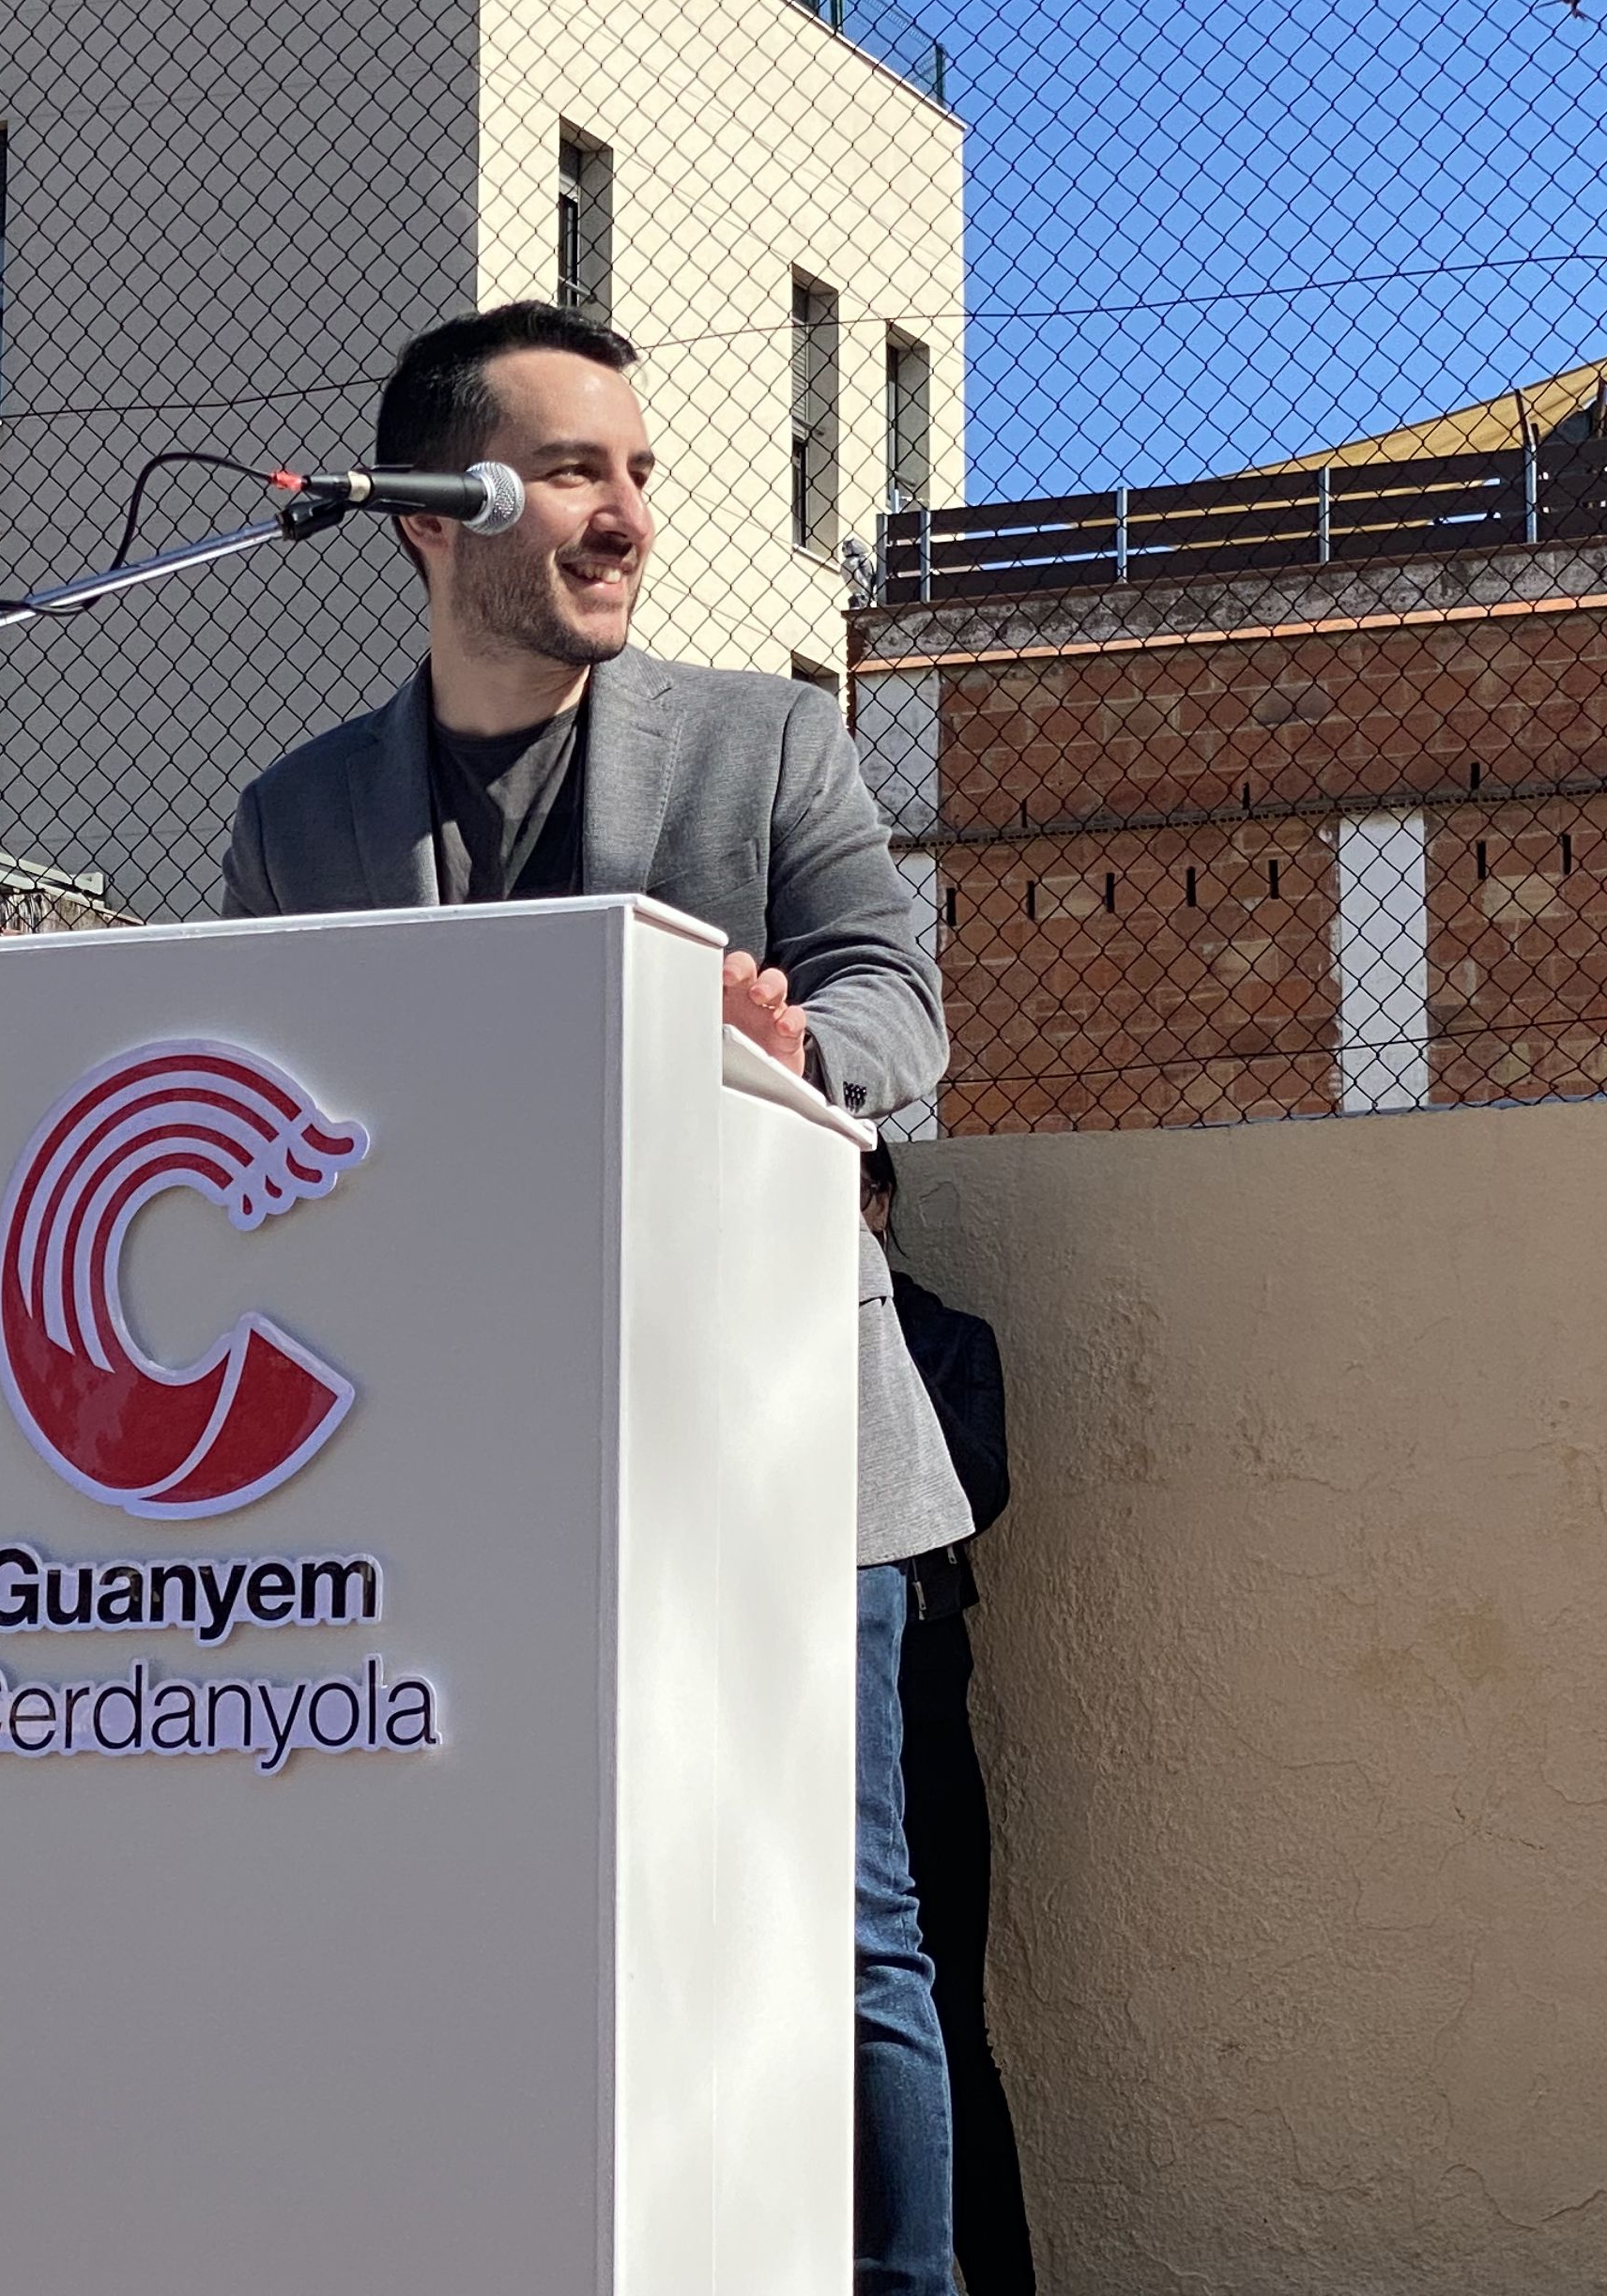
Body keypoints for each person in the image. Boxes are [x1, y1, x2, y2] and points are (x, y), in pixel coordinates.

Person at [225, 300, 974, 2296]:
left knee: (841, 1934)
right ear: (428, 516)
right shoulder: (297, 819)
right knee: (507, 1919)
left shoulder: (766, 741)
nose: (627, 513)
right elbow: (256, 1128)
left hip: (774, 1451)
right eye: (573, 469)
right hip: (456, 1476)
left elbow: (910, 1016)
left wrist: (779, 1046)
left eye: (640, 472)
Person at [868, 1143, 1039, 2296]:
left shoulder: (948, 1340)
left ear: (875, 1204)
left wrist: (865, 1341)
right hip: (801, 1710)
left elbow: (970, 1486)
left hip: (920, 1702)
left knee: (941, 2017)